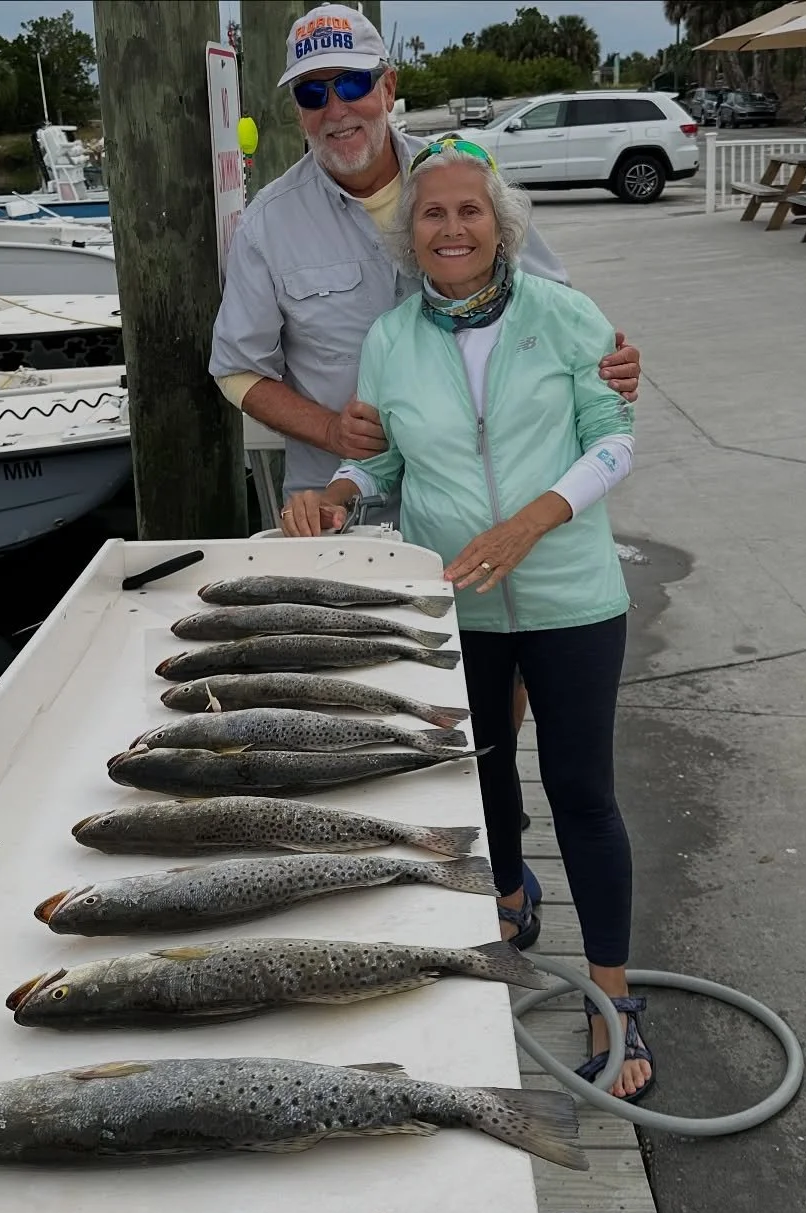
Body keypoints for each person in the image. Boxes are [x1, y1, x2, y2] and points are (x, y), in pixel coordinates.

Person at [210, 2, 642, 917]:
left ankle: (500, 878)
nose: (337, 108)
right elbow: (235, 369)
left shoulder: (463, 173)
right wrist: (335, 436)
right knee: (374, 732)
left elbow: (558, 310)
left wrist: (613, 362)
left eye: (352, 83)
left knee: (499, 713)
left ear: (387, 86)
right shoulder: (270, 223)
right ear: (297, 109)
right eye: (313, 93)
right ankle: (408, 900)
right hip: (345, 505)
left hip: (499, 527)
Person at [279, 137, 652, 1103]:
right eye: (433, 214)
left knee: (583, 794)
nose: (452, 228)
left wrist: (533, 521)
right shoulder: (390, 340)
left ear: (501, 227)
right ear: (412, 237)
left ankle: (613, 997)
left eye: (470, 211)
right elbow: (381, 462)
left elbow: (614, 444)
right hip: (456, 601)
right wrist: (338, 492)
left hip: (570, 596)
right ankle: (509, 898)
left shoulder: (565, 315)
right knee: (480, 777)